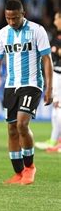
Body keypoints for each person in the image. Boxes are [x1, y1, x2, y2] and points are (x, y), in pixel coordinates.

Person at [0, 0, 53, 185]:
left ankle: (30, 167)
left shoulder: (37, 30)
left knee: (22, 124)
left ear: (23, 14)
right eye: (8, 18)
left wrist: (49, 87)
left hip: (32, 83)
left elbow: (47, 59)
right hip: (11, 86)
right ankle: (18, 172)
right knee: (12, 129)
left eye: (15, 18)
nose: (11, 22)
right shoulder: (2, 34)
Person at [36, 11, 61, 152]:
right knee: (56, 107)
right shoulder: (56, 35)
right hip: (56, 74)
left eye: (57, 18)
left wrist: (57, 50)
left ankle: (56, 141)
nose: (54, 21)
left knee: (58, 107)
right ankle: (54, 139)